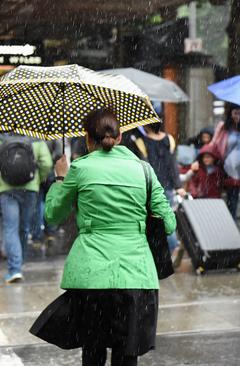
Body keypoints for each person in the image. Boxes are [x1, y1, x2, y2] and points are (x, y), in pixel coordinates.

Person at [29, 109, 176, 366]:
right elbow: (170, 224)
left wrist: (61, 177)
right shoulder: (144, 170)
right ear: (119, 137)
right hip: (135, 276)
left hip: (91, 277)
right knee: (126, 355)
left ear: (88, 139)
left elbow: (52, 214)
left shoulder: (80, 169)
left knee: (93, 353)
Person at [0, 134, 52, 282]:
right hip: (30, 188)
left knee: (10, 228)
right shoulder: (35, 138)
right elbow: (47, 163)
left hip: (6, 189)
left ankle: (15, 269)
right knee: (24, 228)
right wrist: (38, 179)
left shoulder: (2, 138)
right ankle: (19, 263)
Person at [210, 103, 240, 249]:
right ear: (230, 114)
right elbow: (215, 145)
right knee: (231, 204)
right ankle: (230, 235)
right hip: (229, 171)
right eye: (235, 113)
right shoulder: (223, 127)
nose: (237, 116)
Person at [134, 122, 184, 252]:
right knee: (168, 217)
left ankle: (168, 248)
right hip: (168, 186)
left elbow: (145, 167)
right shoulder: (169, 139)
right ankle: (172, 247)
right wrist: (178, 186)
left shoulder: (141, 142)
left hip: (152, 187)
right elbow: (173, 165)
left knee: (155, 220)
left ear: (146, 126)